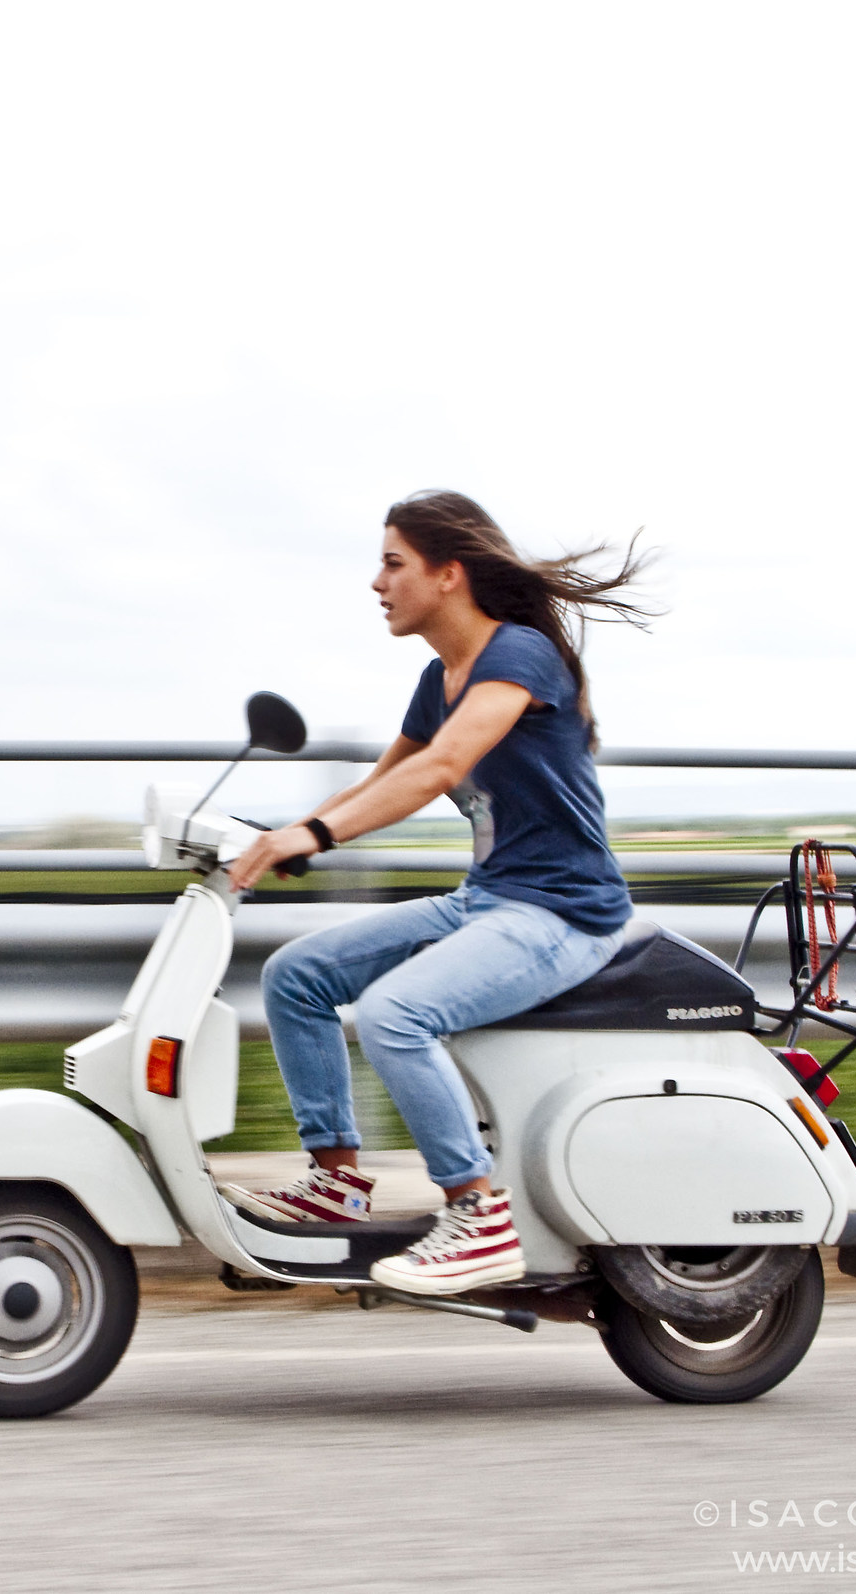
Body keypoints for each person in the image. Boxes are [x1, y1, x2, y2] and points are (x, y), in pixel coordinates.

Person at [219, 489, 654, 1296]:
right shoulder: (440, 676)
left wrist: (309, 839)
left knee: (396, 1013)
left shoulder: (517, 655)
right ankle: (337, 1183)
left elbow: (440, 769)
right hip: (488, 900)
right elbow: (381, 783)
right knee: (296, 976)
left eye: (392, 563)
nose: (376, 583)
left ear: (448, 574)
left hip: (563, 913)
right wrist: (267, 836)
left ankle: (475, 1211)